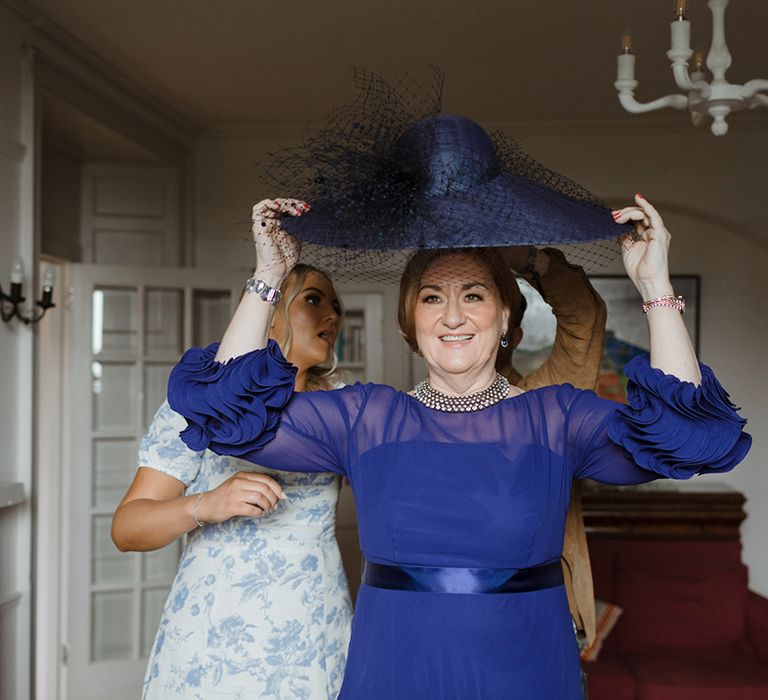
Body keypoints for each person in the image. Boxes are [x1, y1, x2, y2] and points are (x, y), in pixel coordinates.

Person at [166, 193, 750, 699]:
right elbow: (228, 409)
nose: (451, 316)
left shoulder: (557, 418)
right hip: (393, 668)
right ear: (411, 322)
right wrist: (270, 272)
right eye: (430, 298)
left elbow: (688, 437)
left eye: (473, 296)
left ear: (504, 320)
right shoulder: (365, 416)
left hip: (528, 668)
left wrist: (655, 285)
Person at [112, 229, 352, 699]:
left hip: (312, 629)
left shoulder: (345, 409)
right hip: (214, 635)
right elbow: (127, 528)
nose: (332, 316)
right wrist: (205, 504)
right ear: (271, 315)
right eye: (314, 301)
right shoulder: (198, 405)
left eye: (336, 308)